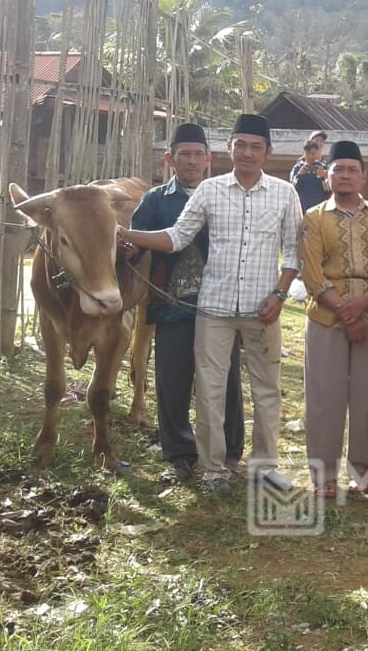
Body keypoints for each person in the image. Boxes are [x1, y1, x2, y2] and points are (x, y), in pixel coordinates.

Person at [120, 113, 302, 497]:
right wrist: (122, 233)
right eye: (241, 145)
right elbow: (176, 237)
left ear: (267, 152)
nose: (247, 153)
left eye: (256, 147)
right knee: (210, 389)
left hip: (262, 309)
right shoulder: (210, 191)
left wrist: (280, 295)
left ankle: (265, 468)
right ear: (228, 149)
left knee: (266, 392)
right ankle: (214, 469)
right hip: (214, 310)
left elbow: (294, 254)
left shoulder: (286, 194)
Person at [129, 123, 246, 484]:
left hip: (223, 306)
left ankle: (228, 453)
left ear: (209, 159)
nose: (192, 162)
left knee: (225, 380)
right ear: (170, 159)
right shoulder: (155, 201)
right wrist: (129, 248)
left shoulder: (229, 195)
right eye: (184, 154)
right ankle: (180, 454)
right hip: (171, 306)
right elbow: (137, 245)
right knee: (172, 380)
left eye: (199, 155)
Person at [299, 140, 368, 499]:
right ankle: (323, 475)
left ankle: (362, 470)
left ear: (363, 177)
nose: (344, 175)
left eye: (351, 170)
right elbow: (311, 272)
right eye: (337, 169)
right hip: (326, 316)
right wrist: (345, 310)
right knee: (324, 396)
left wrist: (363, 305)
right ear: (327, 176)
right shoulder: (313, 218)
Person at [291, 137, 329, 212]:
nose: (311, 156)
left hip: (319, 209)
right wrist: (299, 175)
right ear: (304, 152)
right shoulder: (297, 168)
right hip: (301, 209)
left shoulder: (322, 167)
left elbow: (328, 191)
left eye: (313, 153)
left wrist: (322, 177)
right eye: (308, 153)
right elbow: (292, 189)